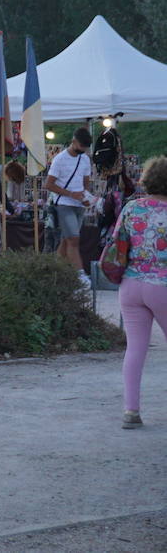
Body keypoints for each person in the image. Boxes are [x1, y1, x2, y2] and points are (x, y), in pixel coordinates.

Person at [112, 156, 167, 429]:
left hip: (131, 285)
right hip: (163, 286)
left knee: (135, 350)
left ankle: (131, 411)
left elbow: (116, 243)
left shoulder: (132, 208)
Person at [47, 128, 95, 273]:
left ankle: (56, 272)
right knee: (74, 240)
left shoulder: (85, 159)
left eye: (85, 148)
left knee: (66, 239)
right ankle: (80, 275)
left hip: (79, 204)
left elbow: (86, 181)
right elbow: (48, 184)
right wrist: (70, 194)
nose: (83, 150)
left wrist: (86, 197)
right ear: (74, 141)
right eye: (81, 147)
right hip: (64, 204)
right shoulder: (59, 159)